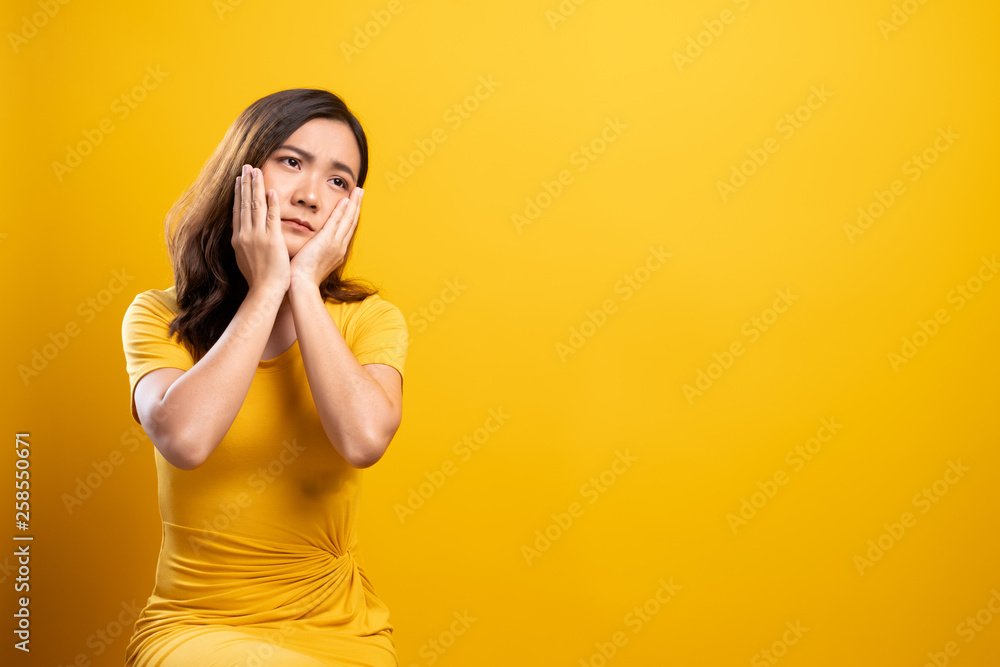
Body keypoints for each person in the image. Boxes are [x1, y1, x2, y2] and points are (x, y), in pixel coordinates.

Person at [121, 88, 408, 666]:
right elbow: (185, 439)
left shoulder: (370, 320)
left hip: (339, 627)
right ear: (243, 171)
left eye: (337, 181)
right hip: (198, 627)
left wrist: (303, 286)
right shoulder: (158, 315)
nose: (308, 195)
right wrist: (268, 287)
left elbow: (363, 439)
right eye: (292, 162)